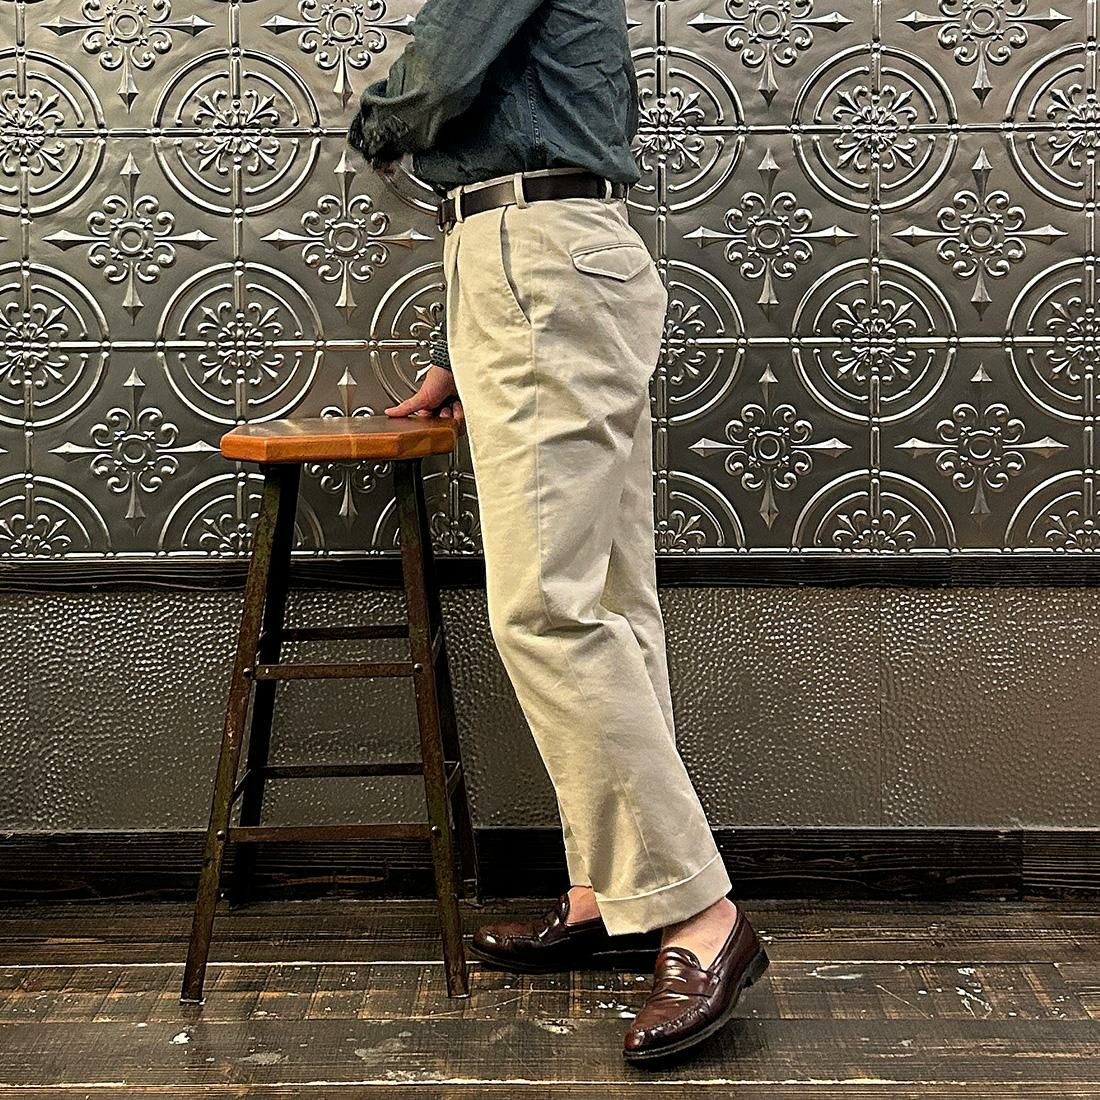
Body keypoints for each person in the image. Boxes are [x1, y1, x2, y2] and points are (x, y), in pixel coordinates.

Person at [347, 0, 769, 1063]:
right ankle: (611, 890)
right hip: (554, 260)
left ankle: (699, 913)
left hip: (537, 263)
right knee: (608, 602)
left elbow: (433, 83)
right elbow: (540, 124)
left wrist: (374, 122)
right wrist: (464, 344)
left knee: (547, 609)